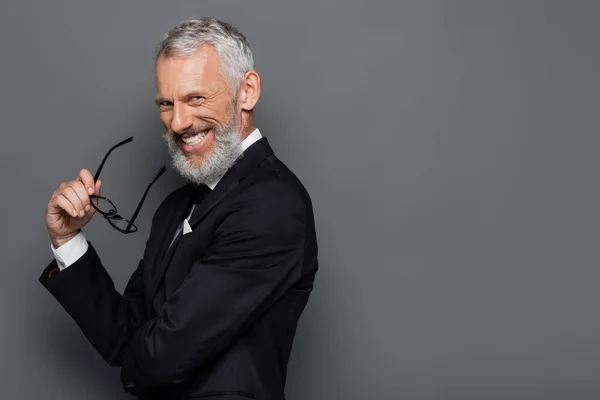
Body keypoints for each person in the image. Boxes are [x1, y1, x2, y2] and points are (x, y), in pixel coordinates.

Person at [39, 18, 318, 400]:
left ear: (247, 91)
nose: (179, 122)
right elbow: (126, 336)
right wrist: (67, 239)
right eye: (166, 104)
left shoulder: (273, 204)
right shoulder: (175, 206)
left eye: (196, 98)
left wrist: (144, 355)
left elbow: (162, 355)